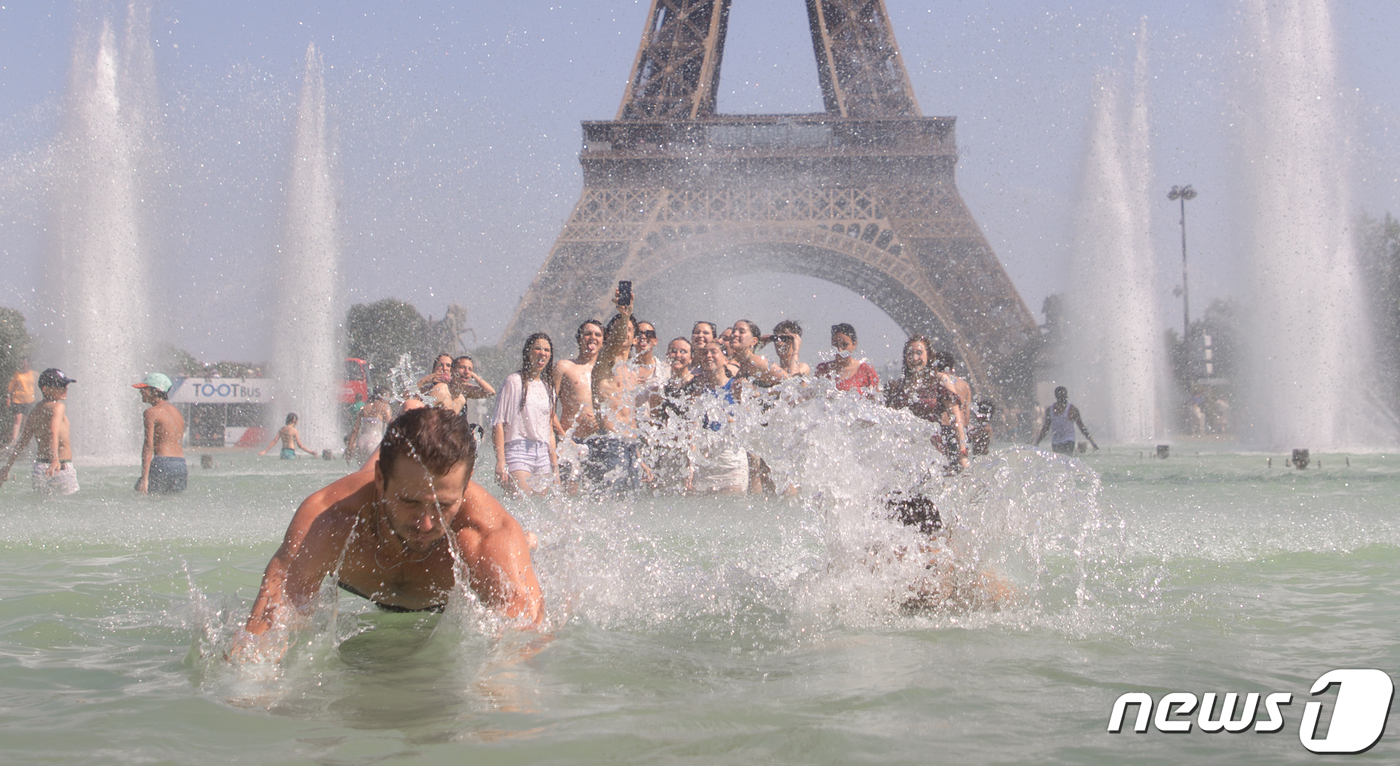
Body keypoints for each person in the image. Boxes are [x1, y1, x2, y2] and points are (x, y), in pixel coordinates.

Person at [232, 407, 543, 660]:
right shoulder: (329, 520)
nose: (425, 523)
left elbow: (526, 633)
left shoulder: (485, 532)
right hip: (368, 519)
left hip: (445, 591)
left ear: (466, 485)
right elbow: (264, 629)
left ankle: (528, 542)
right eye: (410, 502)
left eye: (443, 505)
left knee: (517, 553)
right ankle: (404, 421)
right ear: (380, 480)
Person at [585, 288, 652, 493]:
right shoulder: (605, 361)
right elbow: (615, 342)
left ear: (635, 339)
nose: (623, 333)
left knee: (632, 502)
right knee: (610, 500)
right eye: (617, 330)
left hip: (630, 444)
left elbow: (629, 416)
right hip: (609, 441)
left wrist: (639, 456)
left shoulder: (631, 371)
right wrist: (624, 316)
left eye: (629, 331)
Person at [885, 336, 966, 470]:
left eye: (919, 353)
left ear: (928, 355)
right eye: (910, 354)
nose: (915, 358)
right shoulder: (898, 387)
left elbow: (956, 420)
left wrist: (962, 454)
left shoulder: (940, 380)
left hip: (931, 452)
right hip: (903, 455)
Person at [492, 333, 558, 496]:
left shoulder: (549, 388)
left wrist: (554, 465)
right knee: (521, 503)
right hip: (518, 449)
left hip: (542, 452)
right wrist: (501, 461)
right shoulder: (513, 381)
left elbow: (549, 428)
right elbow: (498, 422)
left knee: (540, 509)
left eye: (547, 350)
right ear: (528, 352)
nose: (543, 352)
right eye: (538, 348)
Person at [1, 368, 78, 495]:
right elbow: (53, 432)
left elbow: (22, 442)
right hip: (60, 467)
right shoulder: (58, 407)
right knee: (70, 507)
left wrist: (7, 468)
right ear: (45, 389)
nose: (65, 389)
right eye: (60, 385)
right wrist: (54, 460)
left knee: (42, 509)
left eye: (66, 385)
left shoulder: (35, 410)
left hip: (40, 469)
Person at [689, 343, 748, 494]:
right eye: (704, 353)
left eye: (713, 352)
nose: (708, 355)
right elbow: (693, 430)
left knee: (731, 506)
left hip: (731, 461)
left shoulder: (737, 386)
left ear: (725, 359)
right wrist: (690, 468)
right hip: (706, 460)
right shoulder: (698, 391)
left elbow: (749, 423)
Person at [133, 373, 187, 494]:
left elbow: (148, 446)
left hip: (163, 463)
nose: (141, 392)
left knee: (145, 498)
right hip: (181, 465)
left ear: (155, 391)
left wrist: (144, 478)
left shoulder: (151, 413)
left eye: (144, 389)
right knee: (173, 504)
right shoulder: (177, 413)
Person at [815, 323, 880, 396]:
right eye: (836, 344)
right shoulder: (823, 369)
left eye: (844, 345)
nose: (839, 349)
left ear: (854, 344)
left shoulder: (866, 370)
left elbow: (876, 400)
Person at [1033, 386, 1099, 456]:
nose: (1063, 396)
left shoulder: (1072, 409)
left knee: (1067, 460)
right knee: (1058, 462)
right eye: (1060, 394)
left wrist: (1092, 442)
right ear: (1056, 396)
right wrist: (1037, 442)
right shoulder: (1050, 410)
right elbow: (1046, 428)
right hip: (1056, 442)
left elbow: (1081, 427)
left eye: (1064, 394)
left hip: (1069, 440)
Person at [346, 387, 392, 467]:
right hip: (375, 443)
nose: (388, 400)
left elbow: (355, 431)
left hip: (361, 443)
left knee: (363, 471)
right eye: (387, 396)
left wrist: (349, 449)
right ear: (382, 396)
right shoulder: (385, 407)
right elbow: (392, 426)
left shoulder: (363, 408)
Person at [7, 357, 37, 447]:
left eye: (25, 364)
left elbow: (39, 387)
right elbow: (11, 387)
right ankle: (14, 440)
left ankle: (23, 439)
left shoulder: (34, 374)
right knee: (17, 419)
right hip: (17, 399)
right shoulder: (17, 374)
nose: (24, 366)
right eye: (22, 364)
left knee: (26, 421)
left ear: (29, 364)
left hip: (30, 400)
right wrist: (8, 398)